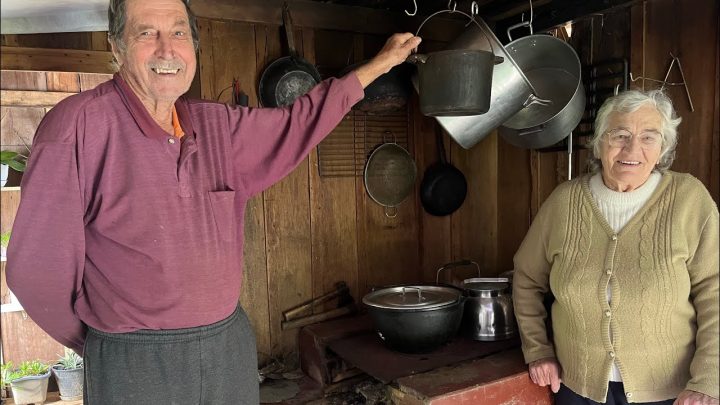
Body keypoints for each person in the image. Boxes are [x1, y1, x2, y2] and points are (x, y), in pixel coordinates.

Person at [5, 0, 421, 403]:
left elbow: (297, 124)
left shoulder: (217, 124)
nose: (167, 49)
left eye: (179, 32)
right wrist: (105, 342)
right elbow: (37, 274)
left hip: (227, 347)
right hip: (133, 359)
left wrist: (378, 66)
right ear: (116, 47)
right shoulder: (76, 126)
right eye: (147, 33)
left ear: (194, 46)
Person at [512, 89, 719, 405]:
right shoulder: (564, 203)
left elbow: (714, 292)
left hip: (668, 393)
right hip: (577, 389)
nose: (632, 148)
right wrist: (537, 349)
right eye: (620, 135)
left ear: (663, 147)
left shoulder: (689, 199)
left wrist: (708, 379)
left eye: (649, 137)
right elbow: (526, 280)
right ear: (599, 143)